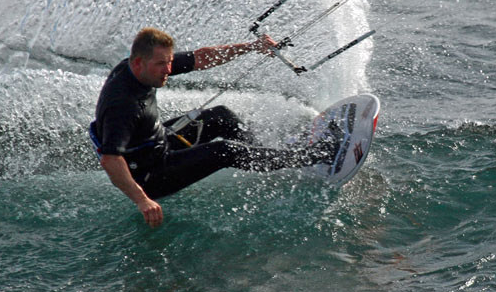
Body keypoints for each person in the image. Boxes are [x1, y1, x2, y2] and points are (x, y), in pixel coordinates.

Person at [90, 27, 339, 228]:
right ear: (137, 63)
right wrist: (143, 200)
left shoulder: (143, 67)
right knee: (224, 151)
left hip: (157, 142)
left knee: (222, 116)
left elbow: (201, 57)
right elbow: (110, 159)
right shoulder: (122, 105)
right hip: (150, 175)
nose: (168, 70)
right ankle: (313, 156)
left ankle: (269, 157)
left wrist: (251, 47)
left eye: (169, 62)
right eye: (161, 64)